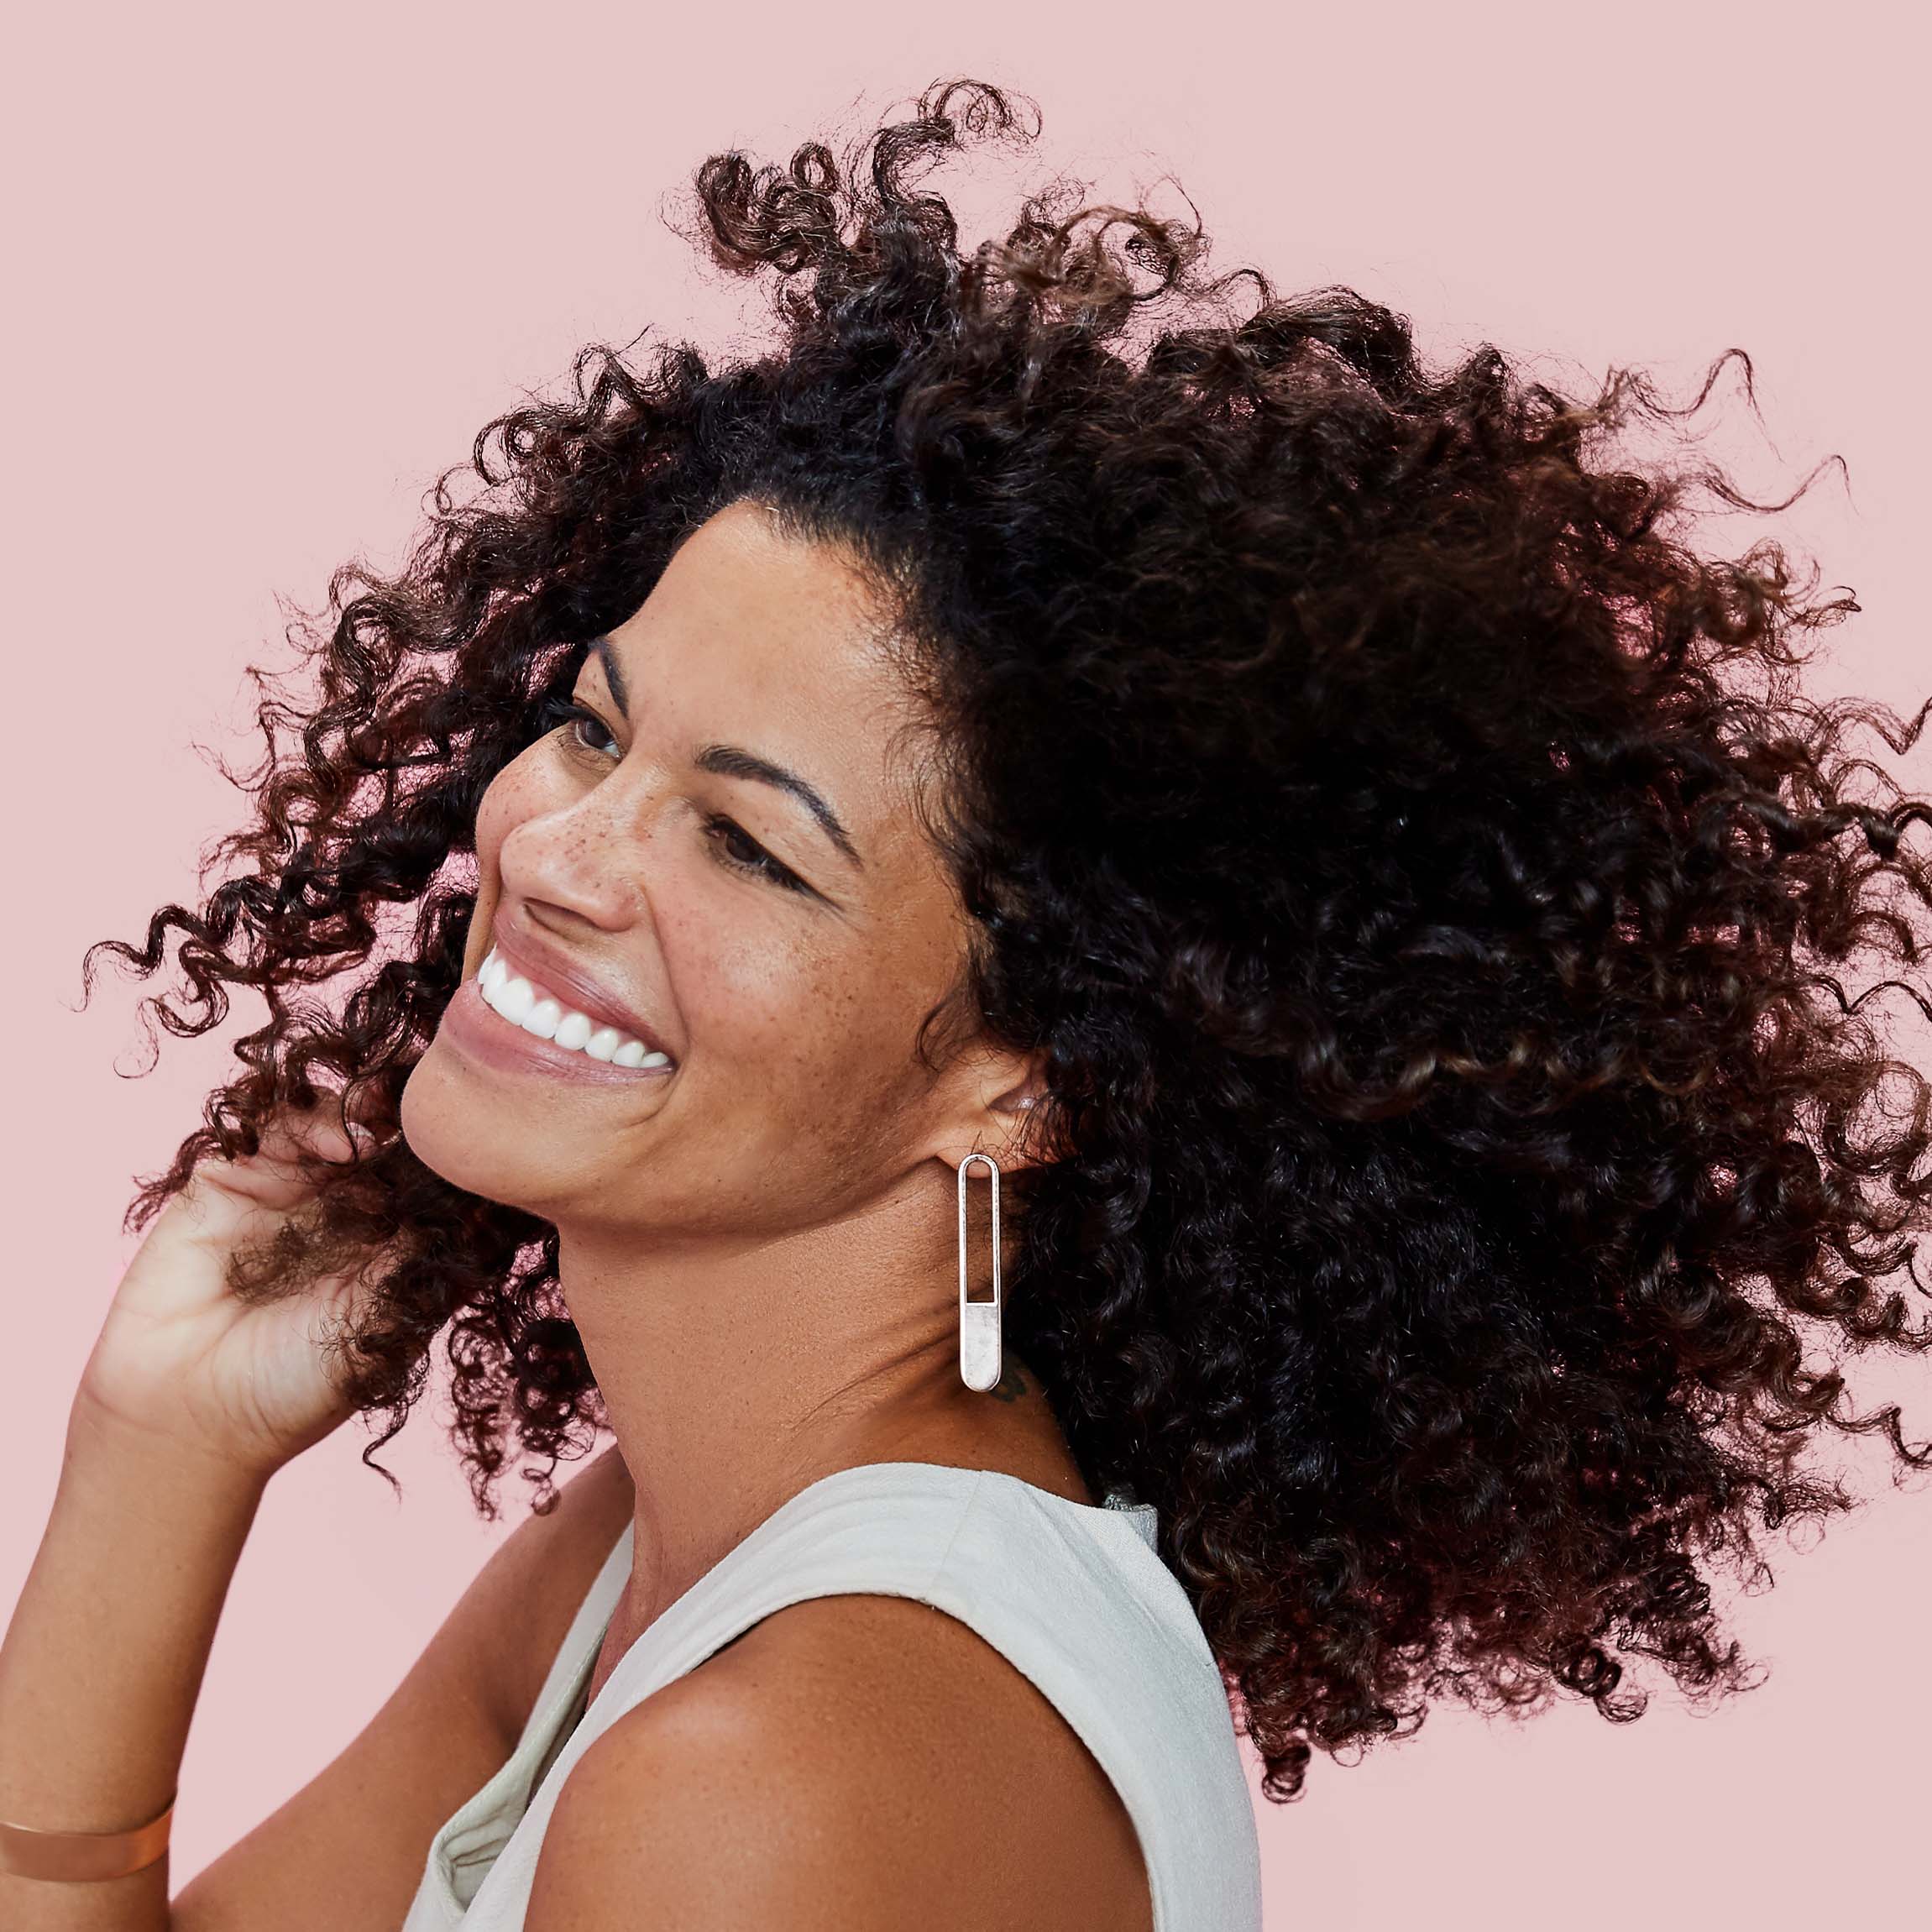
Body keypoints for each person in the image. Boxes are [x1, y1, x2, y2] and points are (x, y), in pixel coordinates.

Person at [4, 72, 1931, 1932]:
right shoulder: (670, 1568)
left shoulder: (780, 1768)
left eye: (752, 846)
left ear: (1021, 1073)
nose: (561, 853)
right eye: (591, 726)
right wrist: (158, 1450)